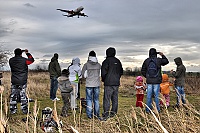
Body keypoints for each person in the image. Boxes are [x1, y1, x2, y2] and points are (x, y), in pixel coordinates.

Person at [141, 48, 169, 113]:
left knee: (149, 96)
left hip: (149, 81)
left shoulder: (146, 61)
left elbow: (142, 70)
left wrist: (147, 76)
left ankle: (148, 110)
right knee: (157, 96)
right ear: (155, 53)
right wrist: (162, 55)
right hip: (157, 81)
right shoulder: (158, 60)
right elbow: (166, 61)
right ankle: (157, 110)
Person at [9, 48, 34, 114]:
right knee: (23, 95)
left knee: (13, 96)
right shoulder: (24, 60)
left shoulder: (11, 60)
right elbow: (31, 60)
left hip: (14, 80)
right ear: (21, 53)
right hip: (22, 80)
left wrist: (21, 52)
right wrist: (27, 53)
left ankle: (13, 110)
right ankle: (24, 110)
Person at [101, 47, 123, 120]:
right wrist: (117, 78)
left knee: (107, 99)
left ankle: (106, 114)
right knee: (115, 99)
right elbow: (121, 72)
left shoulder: (106, 61)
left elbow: (103, 73)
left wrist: (104, 80)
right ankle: (113, 113)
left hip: (108, 83)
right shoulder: (118, 61)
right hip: (116, 83)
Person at [81, 51, 101, 119]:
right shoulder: (99, 65)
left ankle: (89, 115)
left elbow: (83, 75)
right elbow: (100, 74)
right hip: (96, 84)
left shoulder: (86, 65)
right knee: (96, 100)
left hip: (89, 84)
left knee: (89, 99)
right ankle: (97, 114)